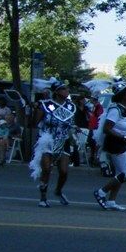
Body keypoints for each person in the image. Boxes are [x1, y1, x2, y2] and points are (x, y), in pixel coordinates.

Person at [29, 78, 77, 208]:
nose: (67, 90)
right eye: (63, 89)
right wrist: (35, 110)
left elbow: (71, 123)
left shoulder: (70, 106)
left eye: (67, 88)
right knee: (46, 169)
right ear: (56, 92)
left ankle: (58, 191)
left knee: (64, 171)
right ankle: (43, 197)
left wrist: (74, 127)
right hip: (47, 139)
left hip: (63, 140)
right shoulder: (46, 105)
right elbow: (34, 123)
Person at [93, 80, 126, 211]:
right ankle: (101, 192)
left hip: (121, 144)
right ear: (123, 95)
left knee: (119, 173)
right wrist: (124, 137)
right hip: (115, 145)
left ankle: (111, 201)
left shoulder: (124, 110)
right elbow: (107, 128)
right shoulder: (115, 110)